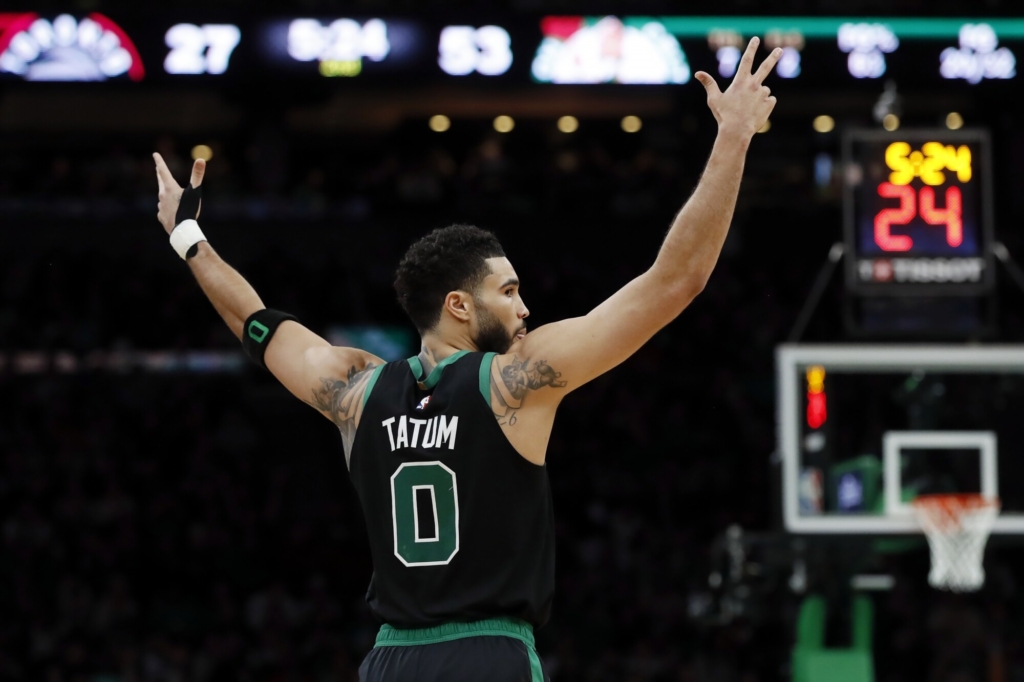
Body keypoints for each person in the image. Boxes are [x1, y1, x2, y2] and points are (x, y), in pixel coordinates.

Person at [152, 38, 781, 682]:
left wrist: (186, 236)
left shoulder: (355, 389)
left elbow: (255, 324)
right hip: (490, 655)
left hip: (392, 659)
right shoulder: (513, 381)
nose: (524, 309)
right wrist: (733, 136)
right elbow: (676, 281)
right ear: (457, 304)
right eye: (508, 291)